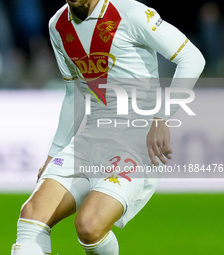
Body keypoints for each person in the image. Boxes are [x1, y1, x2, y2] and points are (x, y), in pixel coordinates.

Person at [11, 0, 205, 254]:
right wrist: (53, 153)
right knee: (32, 214)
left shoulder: (130, 13)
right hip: (88, 141)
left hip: (134, 142)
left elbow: (192, 58)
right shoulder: (57, 25)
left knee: (89, 226)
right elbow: (74, 94)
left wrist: (162, 118)